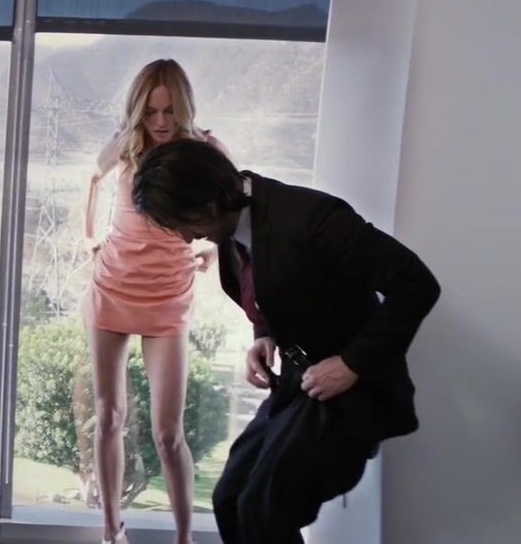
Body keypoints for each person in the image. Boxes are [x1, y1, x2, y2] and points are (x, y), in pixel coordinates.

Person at [130, 139, 440, 544]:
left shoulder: (312, 218)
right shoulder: (232, 229)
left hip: (352, 392)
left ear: (208, 199)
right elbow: (275, 287)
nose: (188, 239)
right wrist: (264, 334)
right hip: (297, 384)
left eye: (185, 223)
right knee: (229, 500)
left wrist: (352, 364)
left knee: (264, 511)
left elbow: (416, 284)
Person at [83, 59, 221, 544]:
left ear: (183, 108)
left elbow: (234, 210)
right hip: (112, 289)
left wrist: (212, 246)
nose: (159, 121)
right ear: (137, 110)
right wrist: (88, 237)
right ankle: (111, 531)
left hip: (168, 298)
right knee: (108, 417)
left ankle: (184, 539)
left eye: (168, 111)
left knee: (168, 434)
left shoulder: (204, 150)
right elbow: (93, 178)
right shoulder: (125, 144)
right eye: (150, 111)